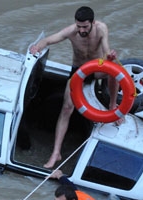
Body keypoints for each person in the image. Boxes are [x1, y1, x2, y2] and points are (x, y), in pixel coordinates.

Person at [29, 6, 121, 169]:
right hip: (79, 72)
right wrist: (37, 47)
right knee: (66, 109)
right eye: (79, 26)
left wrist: (110, 56)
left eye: (85, 27)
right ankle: (56, 153)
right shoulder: (71, 31)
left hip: (96, 68)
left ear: (92, 22)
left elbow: (106, 50)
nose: (81, 30)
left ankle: (113, 106)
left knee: (114, 71)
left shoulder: (101, 29)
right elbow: (49, 40)